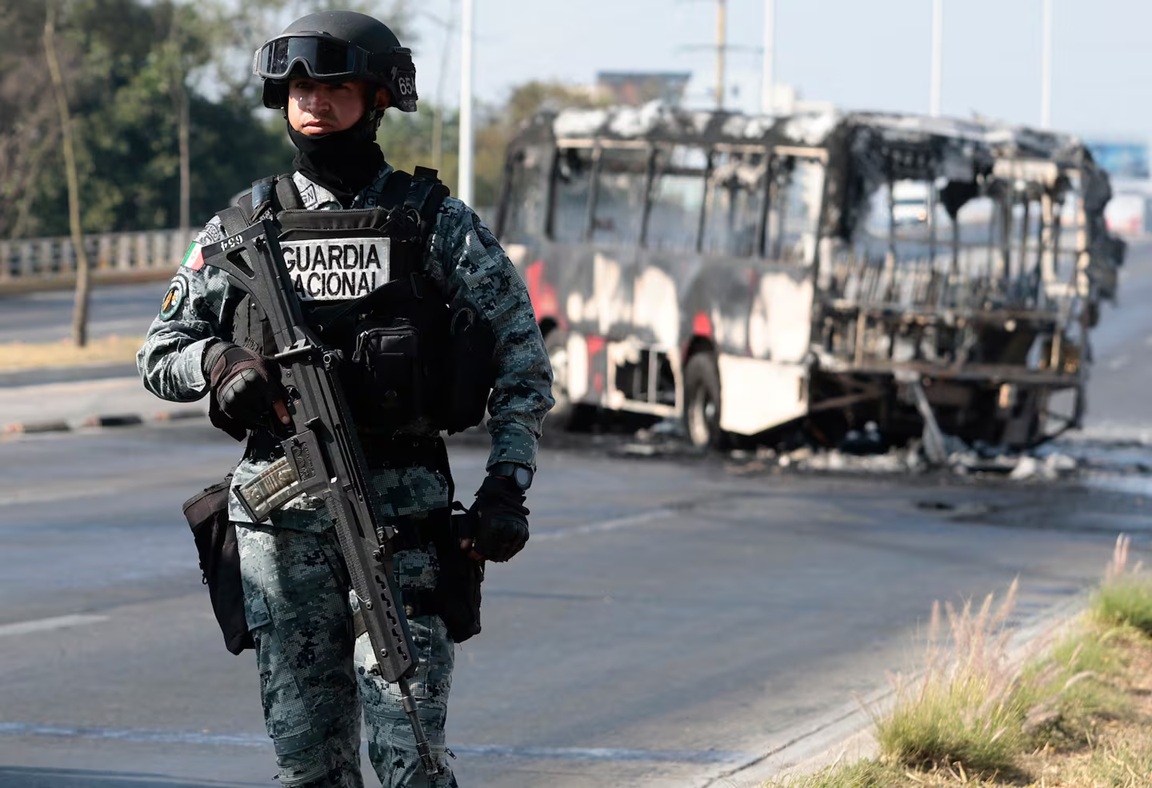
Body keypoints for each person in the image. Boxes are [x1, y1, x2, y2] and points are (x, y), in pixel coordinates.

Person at [137, 9, 553, 787]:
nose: (314, 101)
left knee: (411, 758)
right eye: (299, 85)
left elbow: (523, 363)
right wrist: (223, 363)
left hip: (402, 528)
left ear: (379, 96)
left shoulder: (434, 225)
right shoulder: (239, 227)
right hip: (281, 535)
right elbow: (158, 351)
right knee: (309, 769)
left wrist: (508, 485)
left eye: (334, 85)